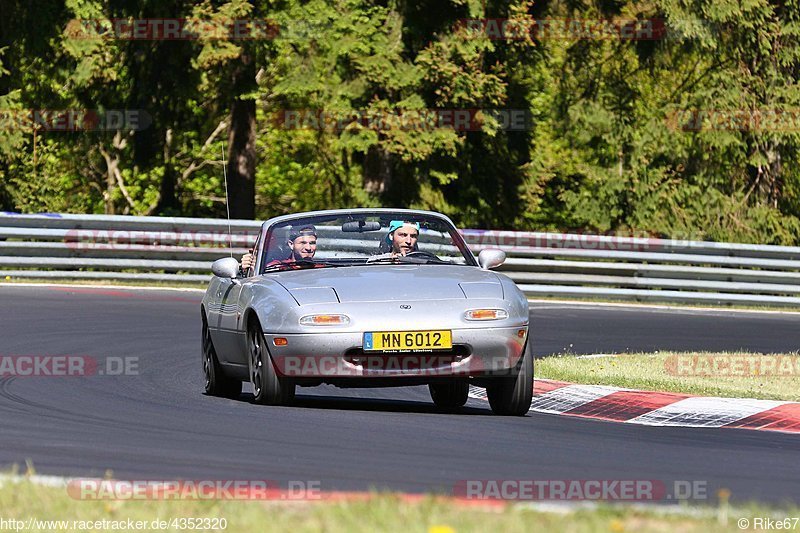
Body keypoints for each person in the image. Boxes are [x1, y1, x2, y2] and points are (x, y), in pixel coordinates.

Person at [240, 223, 317, 273]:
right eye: (302, 243)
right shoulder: (276, 268)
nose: (308, 247)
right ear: (291, 244)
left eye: (312, 243)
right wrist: (250, 270)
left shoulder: (321, 268)